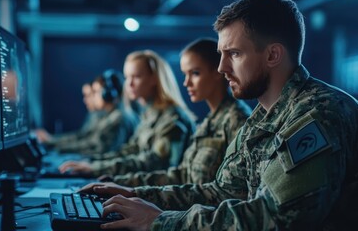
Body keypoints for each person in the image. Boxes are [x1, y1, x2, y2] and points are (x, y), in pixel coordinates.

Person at [81, 0, 358, 230]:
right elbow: (222, 191)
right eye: (221, 54)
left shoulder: (318, 113)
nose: (221, 68)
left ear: (273, 55)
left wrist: (161, 221)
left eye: (234, 54)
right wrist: (135, 195)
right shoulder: (261, 118)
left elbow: (275, 218)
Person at [102, 38, 251, 187]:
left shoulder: (237, 121)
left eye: (195, 73)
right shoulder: (210, 120)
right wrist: (120, 184)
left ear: (218, 71)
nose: (186, 83)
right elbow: (182, 175)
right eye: (185, 74)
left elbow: (228, 193)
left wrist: (132, 191)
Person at [59, 50, 196, 177]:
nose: (129, 84)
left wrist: (97, 168)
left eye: (136, 77)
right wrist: (92, 163)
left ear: (154, 79)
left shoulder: (172, 118)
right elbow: (131, 150)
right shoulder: (149, 114)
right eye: (127, 77)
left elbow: (155, 163)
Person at [33, 82, 101, 146]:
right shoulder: (93, 114)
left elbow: (89, 144)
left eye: (90, 95)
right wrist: (51, 139)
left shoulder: (100, 115)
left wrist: (52, 142)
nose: (85, 100)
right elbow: (80, 135)